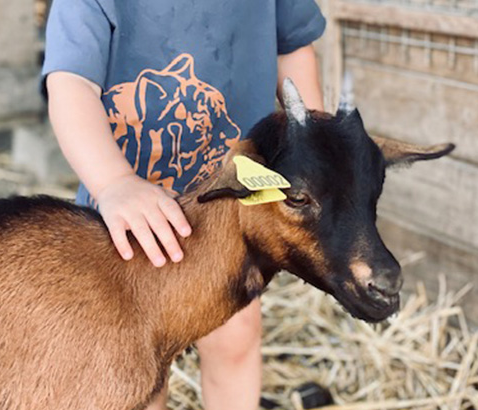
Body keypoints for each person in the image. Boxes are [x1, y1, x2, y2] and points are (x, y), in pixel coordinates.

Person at [41, 1, 326, 408]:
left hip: (229, 211)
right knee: (140, 363)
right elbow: (71, 84)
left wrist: (310, 143)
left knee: (235, 337)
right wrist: (114, 182)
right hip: (134, 226)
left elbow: (293, 49)